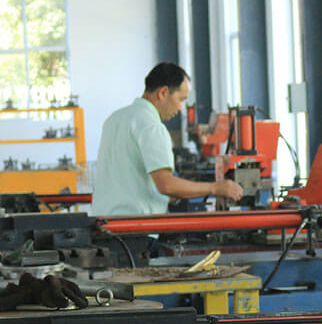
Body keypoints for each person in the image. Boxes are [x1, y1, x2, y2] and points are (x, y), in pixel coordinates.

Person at [93, 63, 243, 215]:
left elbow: (129, 180)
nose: (180, 108)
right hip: (135, 225)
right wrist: (215, 188)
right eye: (181, 99)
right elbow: (166, 185)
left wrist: (178, 192)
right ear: (163, 93)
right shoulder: (152, 126)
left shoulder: (115, 118)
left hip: (104, 221)